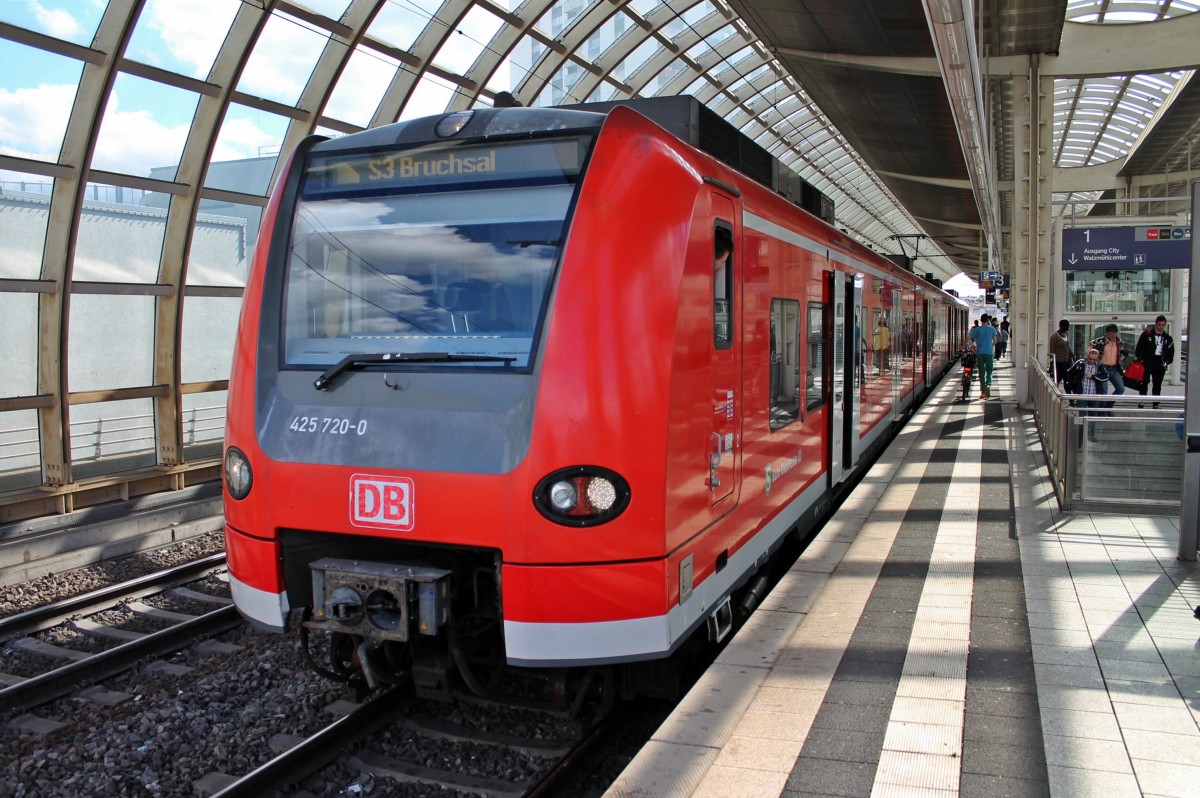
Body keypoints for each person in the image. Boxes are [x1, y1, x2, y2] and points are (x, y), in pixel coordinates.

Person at [1066, 348, 1109, 443]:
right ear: (1087, 357)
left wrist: (1093, 377)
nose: (1092, 361)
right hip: (1082, 394)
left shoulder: (1099, 365)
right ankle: (1080, 438)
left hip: (1094, 395)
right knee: (1081, 416)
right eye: (1091, 359)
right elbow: (1069, 372)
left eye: (1095, 359)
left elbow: (1105, 377)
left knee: (1093, 416)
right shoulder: (1080, 363)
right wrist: (1072, 386)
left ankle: (1091, 435)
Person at [1134, 315, 1174, 407]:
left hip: (1160, 363)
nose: (1161, 327)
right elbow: (1138, 348)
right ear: (1156, 324)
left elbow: (1171, 353)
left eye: (1163, 325)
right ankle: (1142, 401)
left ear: (1165, 325)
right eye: (1159, 324)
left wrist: (1167, 362)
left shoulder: (1168, 338)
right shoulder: (1146, 334)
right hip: (1147, 362)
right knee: (1144, 383)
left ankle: (1155, 403)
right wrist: (1140, 359)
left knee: (1157, 384)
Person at [1089, 323, 1127, 398]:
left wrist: (1122, 356)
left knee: (1121, 388)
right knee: (1104, 391)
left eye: (1114, 333)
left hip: (1115, 368)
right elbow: (1090, 349)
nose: (1112, 336)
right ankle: (1103, 408)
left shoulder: (1119, 342)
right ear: (1106, 333)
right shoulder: (1100, 341)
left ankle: (1109, 404)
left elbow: (1123, 352)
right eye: (1110, 334)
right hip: (1103, 368)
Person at [969, 313, 999, 398]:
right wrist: (990, 345)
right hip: (989, 353)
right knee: (989, 371)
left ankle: (983, 392)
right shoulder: (992, 329)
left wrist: (962, 346)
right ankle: (988, 385)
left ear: (981, 320)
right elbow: (995, 341)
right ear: (988, 321)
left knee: (981, 373)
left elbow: (969, 338)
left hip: (980, 353)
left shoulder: (977, 329)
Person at [1048, 319, 1073, 386]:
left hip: (1066, 360)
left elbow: (1067, 346)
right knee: (1065, 378)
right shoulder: (1054, 337)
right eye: (1066, 327)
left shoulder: (1066, 334)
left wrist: (1071, 355)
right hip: (1059, 361)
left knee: (1064, 377)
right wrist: (1051, 365)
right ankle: (1066, 393)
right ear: (1061, 326)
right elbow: (1051, 352)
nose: (1067, 329)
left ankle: (1066, 392)